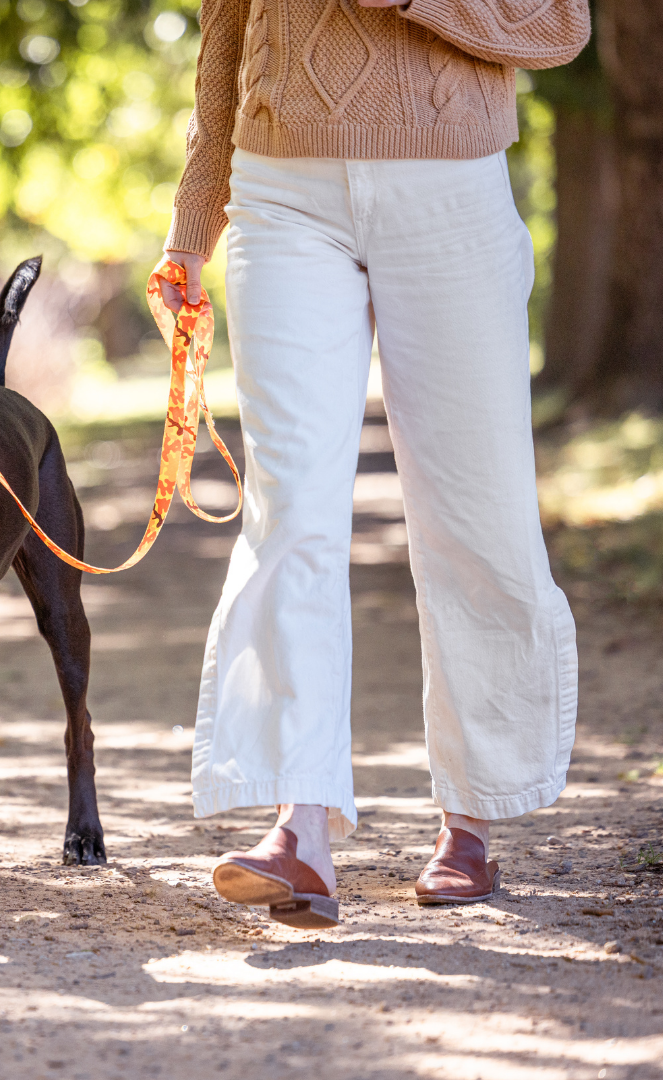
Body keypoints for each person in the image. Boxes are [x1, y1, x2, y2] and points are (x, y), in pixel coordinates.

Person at [158, 0, 590, 924]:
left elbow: (558, 25)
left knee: (473, 515)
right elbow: (226, 33)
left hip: (450, 183)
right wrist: (194, 221)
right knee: (289, 509)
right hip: (279, 187)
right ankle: (300, 824)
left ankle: (470, 822)